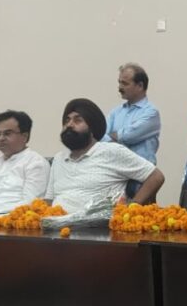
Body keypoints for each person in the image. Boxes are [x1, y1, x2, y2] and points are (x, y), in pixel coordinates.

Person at [47, 98, 164, 211]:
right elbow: (49, 200)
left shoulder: (111, 152)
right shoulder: (59, 158)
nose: (69, 125)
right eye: (67, 121)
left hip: (98, 224)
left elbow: (156, 177)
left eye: (77, 120)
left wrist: (132, 207)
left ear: (92, 128)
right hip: (56, 222)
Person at [107, 63, 161, 198]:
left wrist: (115, 136)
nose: (120, 87)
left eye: (125, 83)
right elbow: (102, 138)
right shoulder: (115, 112)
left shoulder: (151, 113)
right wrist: (114, 137)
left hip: (141, 179)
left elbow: (129, 136)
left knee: (139, 212)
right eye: (119, 82)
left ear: (140, 86)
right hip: (116, 176)